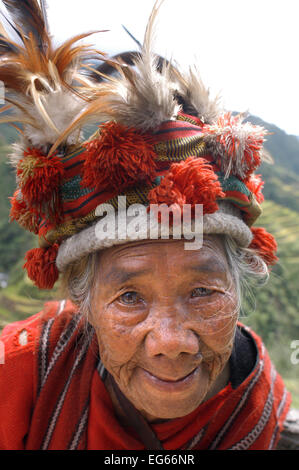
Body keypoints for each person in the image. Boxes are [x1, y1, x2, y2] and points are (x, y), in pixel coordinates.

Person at [0, 0, 291, 450]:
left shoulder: (263, 413)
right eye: (129, 297)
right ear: (86, 305)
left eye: (203, 291)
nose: (171, 342)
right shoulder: (17, 376)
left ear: (239, 288)